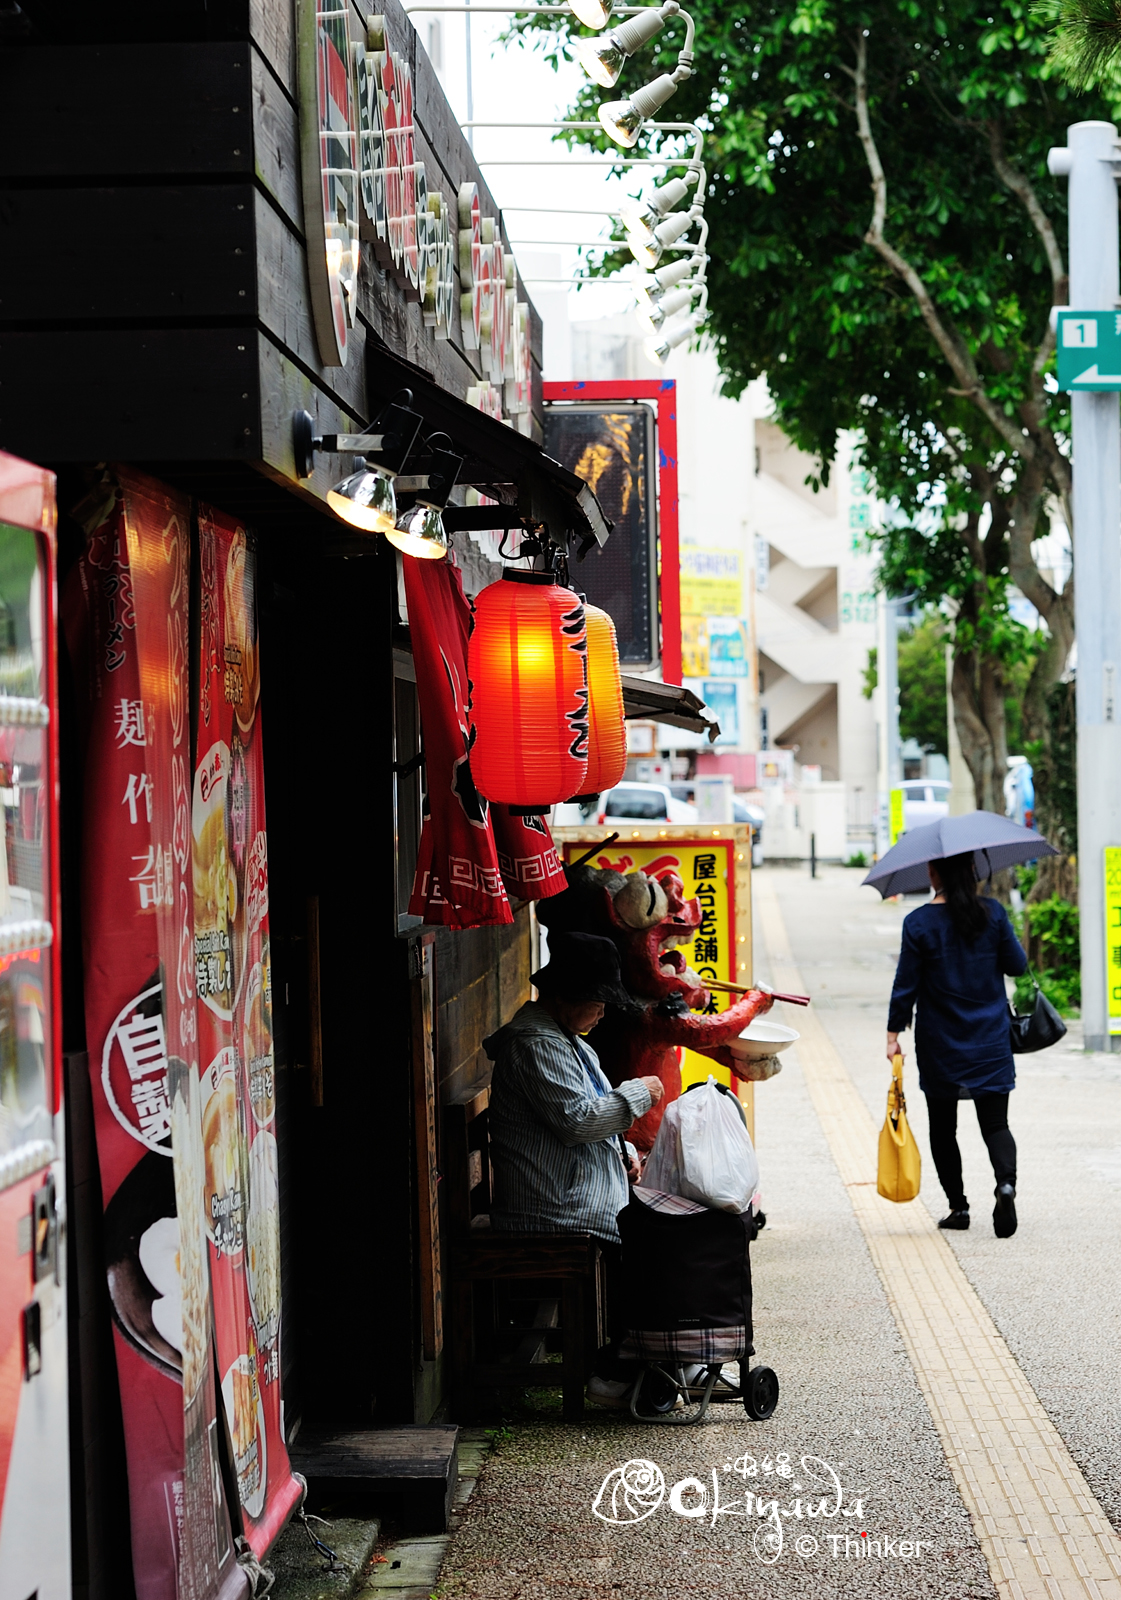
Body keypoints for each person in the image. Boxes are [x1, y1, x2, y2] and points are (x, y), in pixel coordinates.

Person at [484, 930, 664, 1408]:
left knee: (660, 1230)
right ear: (565, 997)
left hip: (571, 1187)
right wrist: (640, 1092)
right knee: (650, 1243)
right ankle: (622, 1369)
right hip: (552, 1204)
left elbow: (593, 1112)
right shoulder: (537, 1044)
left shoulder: (569, 1039)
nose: (604, 1012)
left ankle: (628, 1363)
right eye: (597, 1001)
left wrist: (625, 1155)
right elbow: (580, 1120)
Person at [886, 851, 1027, 1238]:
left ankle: (958, 1206)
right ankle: (1005, 1184)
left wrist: (893, 1034)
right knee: (996, 1123)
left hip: (940, 1041)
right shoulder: (993, 913)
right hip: (990, 1039)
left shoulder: (918, 922)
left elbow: (906, 984)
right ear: (972, 871)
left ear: (932, 872)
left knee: (942, 1127)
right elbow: (1017, 966)